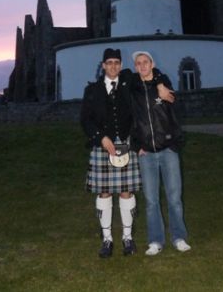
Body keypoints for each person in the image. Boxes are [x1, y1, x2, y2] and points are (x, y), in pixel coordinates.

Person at [80, 47, 173, 258]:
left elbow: (151, 72)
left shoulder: (128, 82)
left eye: (116, 63)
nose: (113, 66)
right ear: (103, 65)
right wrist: (100, 138)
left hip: (126, 144)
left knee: (126, 191)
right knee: (104, 192)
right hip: (102, 145)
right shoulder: (92, 90)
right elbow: (85, 119)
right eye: (109, 63)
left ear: (121, 65)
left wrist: (159, 84)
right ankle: (107, 240)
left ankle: (127, 238)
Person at [130, 50, 191, 256]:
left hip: (168, 150)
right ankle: (155, 240)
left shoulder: (163, 84)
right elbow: (130, 119)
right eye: (138, 63)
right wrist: (136, 144)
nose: (142, 66)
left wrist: (175, 142)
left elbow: (176, 111)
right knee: (151, 200)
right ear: (135, 67)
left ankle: (179, 237)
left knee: (174, 197)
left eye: (146, 62)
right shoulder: (133, 89)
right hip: (146, 153)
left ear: (152, 63)